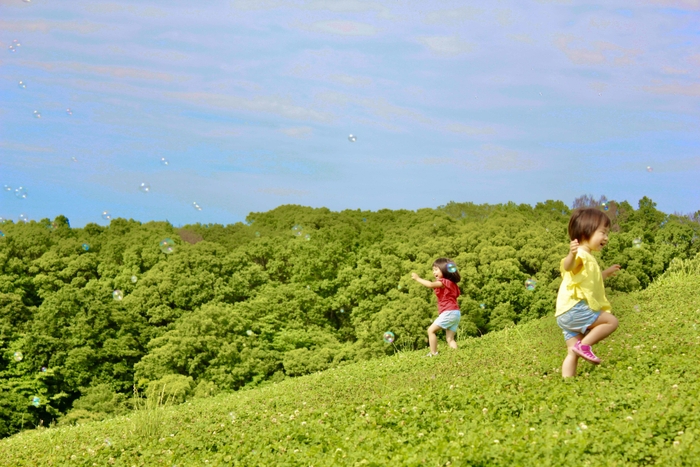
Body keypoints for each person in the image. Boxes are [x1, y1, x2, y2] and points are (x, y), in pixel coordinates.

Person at [556, 208, 621, 377]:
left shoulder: (588, 258)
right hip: (575, 309)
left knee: (572, 352)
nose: (606, 237)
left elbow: (590, 280)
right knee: (611, 322)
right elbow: (568, 266)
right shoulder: (581, 255)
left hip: (563, 315)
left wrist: (606, 273)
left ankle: (567, 383)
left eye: (607, 233)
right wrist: (571, 254)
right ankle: (584, 346)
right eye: (603, 232)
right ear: (587, 230)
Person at [411, 258, 461, 357]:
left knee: (431, 330)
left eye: (436, 269)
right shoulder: (453, 285)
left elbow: (430, 284)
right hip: (456, 313)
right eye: (433, 270)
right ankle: (457, 356)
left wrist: (417, 278)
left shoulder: (443, 282)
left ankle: (433, 353)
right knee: (450, 339)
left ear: (444, 270)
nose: (434, 272)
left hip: (448, 312)